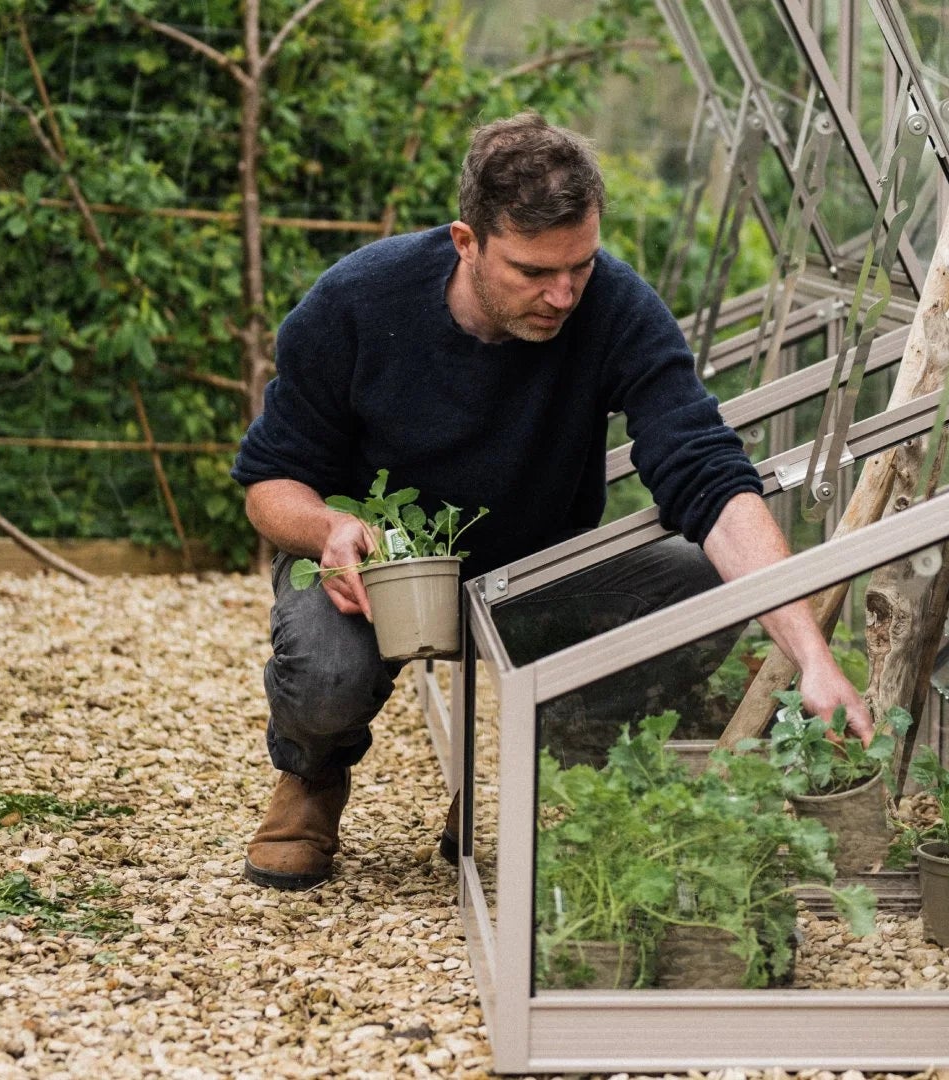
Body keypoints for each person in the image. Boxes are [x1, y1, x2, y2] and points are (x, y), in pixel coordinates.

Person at [231, 112, 871, 891]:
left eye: (581, 265)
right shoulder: (358, 302)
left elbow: (706, 472)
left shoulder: (616, 307)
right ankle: (312, 775)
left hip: (537, 575)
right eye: (534, 271)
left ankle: (538, 780)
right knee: (325, 674)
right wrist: (328, 528)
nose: (563, 294)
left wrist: (812, 656)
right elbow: (270, 481)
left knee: (699, 584)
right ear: (467, 242)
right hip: (374, 578)